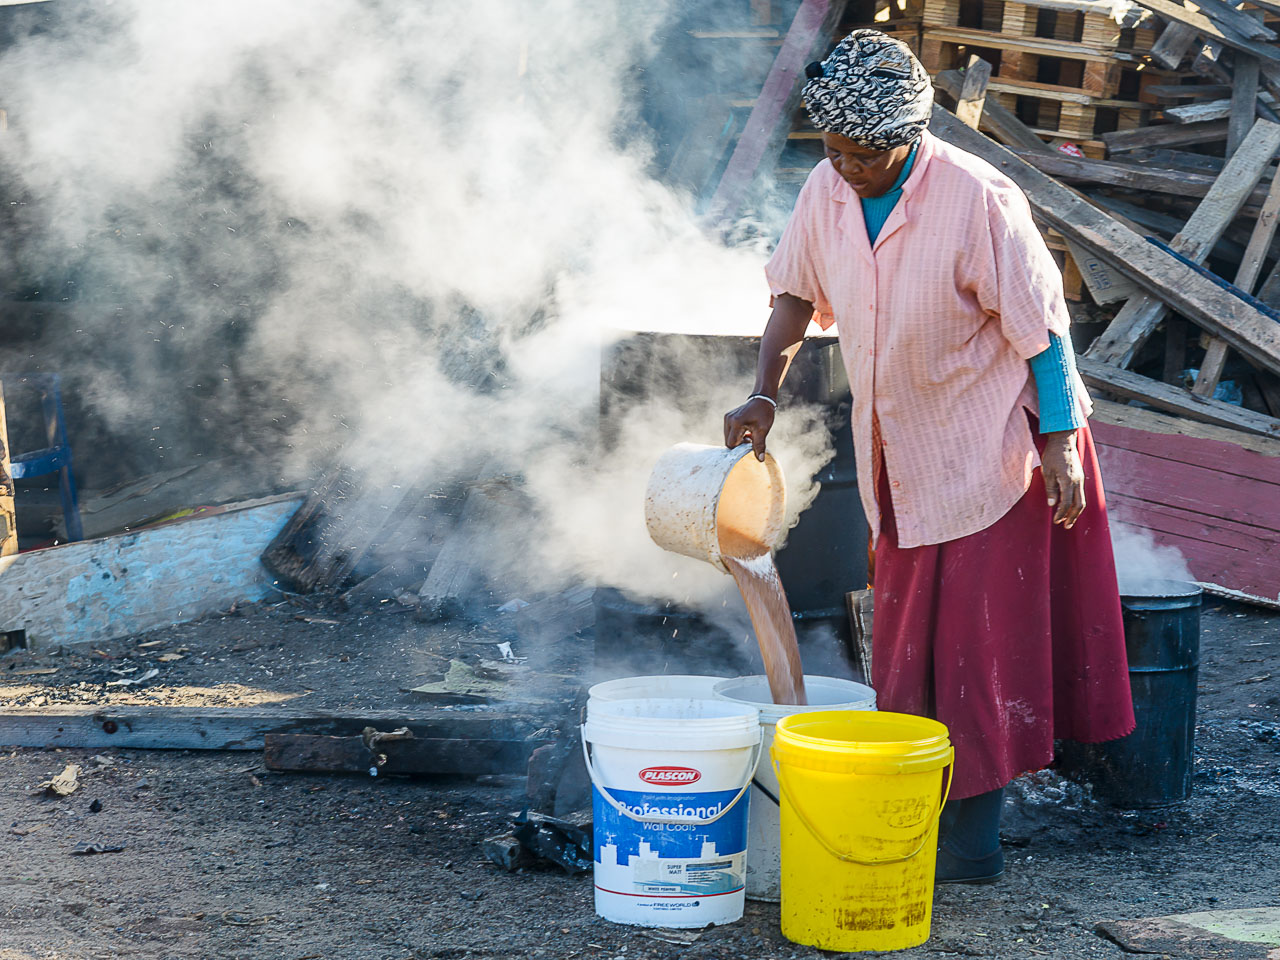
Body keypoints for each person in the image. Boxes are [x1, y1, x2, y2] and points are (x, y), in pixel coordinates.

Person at [723, 29, 1135, 884]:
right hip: (900, 461)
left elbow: (1042, 331)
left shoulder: (979, 198)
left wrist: (1057, 443)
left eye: (863, 156)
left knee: (980, 659)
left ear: (907, 138)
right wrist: (764, 391)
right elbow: (794, 294)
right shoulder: (826, 189)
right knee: (908, 660)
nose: (846, 170)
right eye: (833, 153)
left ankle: (971, 851)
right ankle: (909, 821)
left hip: (992, 457)